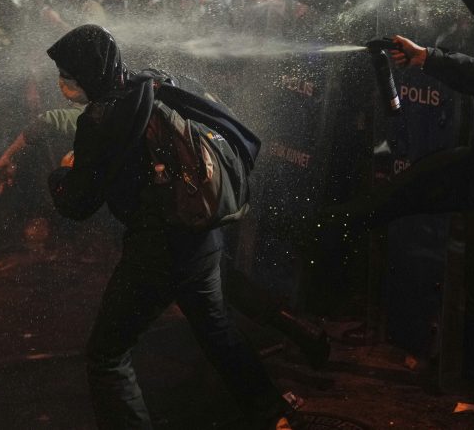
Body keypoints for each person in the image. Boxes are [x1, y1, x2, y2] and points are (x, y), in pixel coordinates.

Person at [45, 24, 291, 430]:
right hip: (202, 234)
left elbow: (78, 204)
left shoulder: (100, 120)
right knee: (216, 330)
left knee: (106, 354)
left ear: (88, 74)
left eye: (69, 76)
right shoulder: (154, 83)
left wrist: (60, 174)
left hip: (155, 250)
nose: (63, 84)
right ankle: (275, 415)